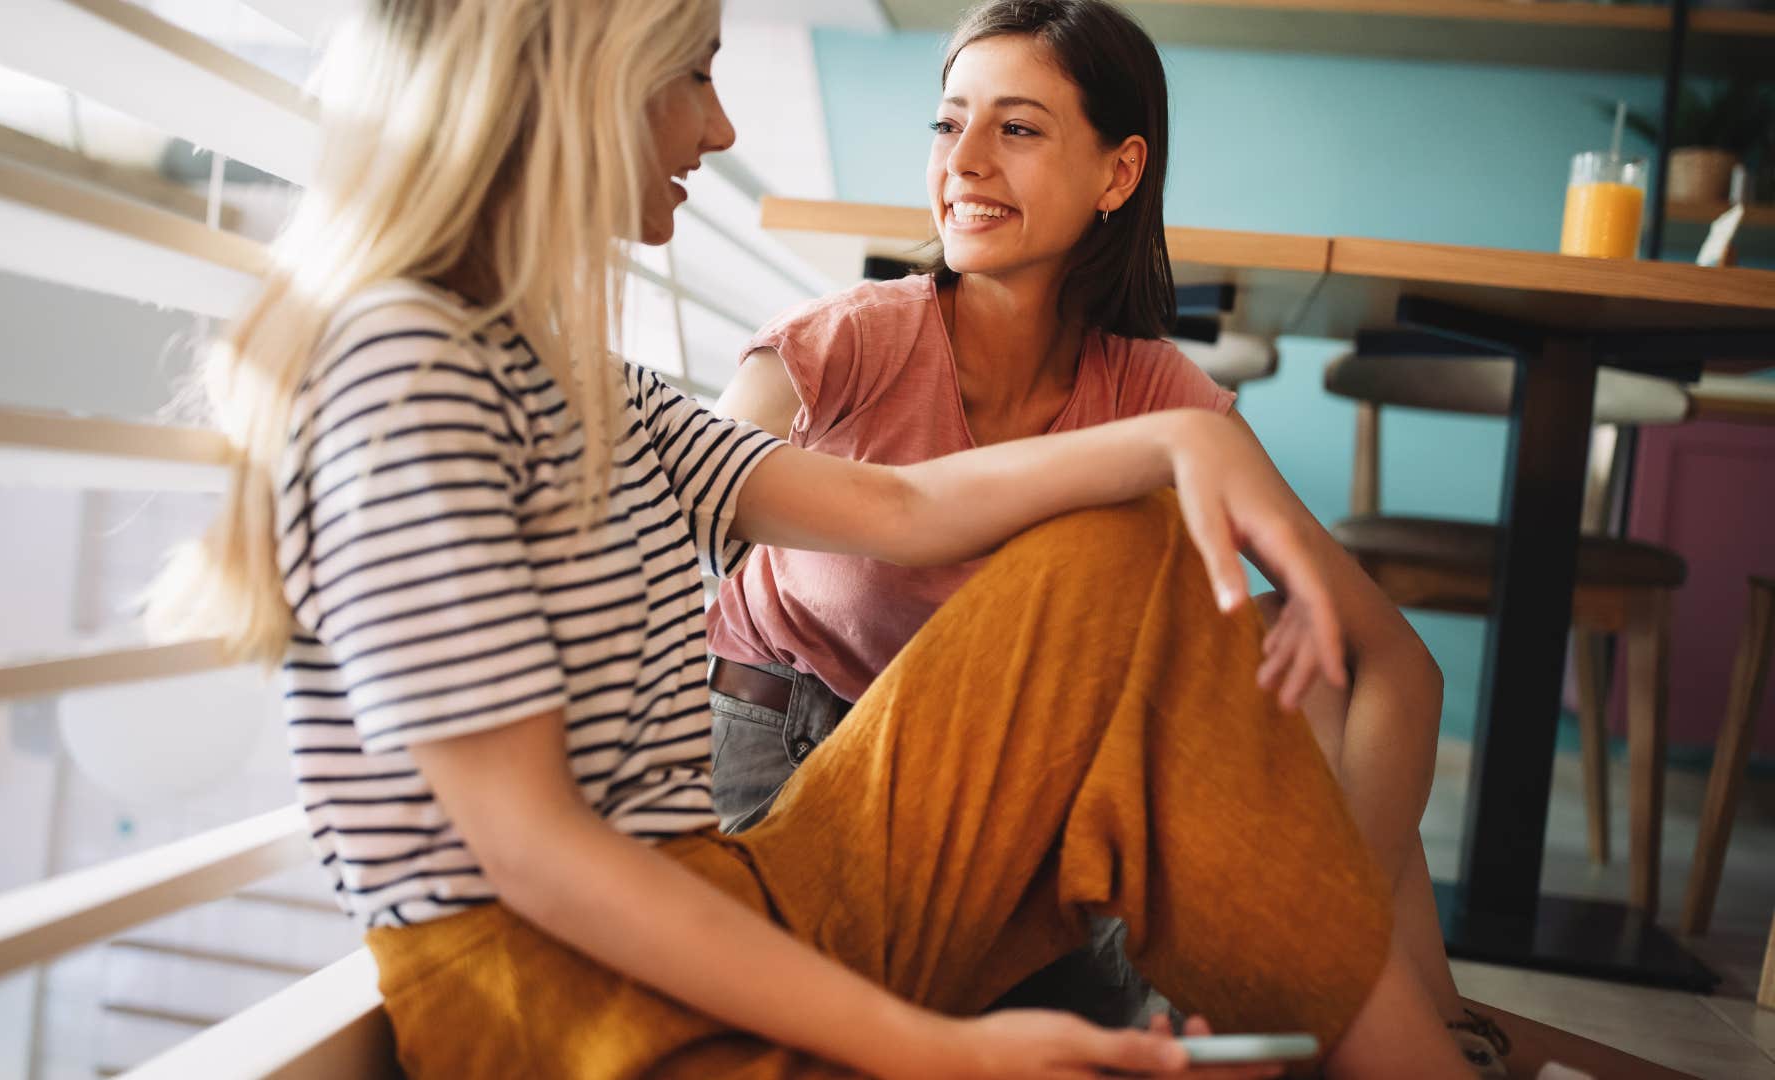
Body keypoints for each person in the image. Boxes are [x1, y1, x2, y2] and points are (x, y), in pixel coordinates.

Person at [150, 0, 1469, 1075]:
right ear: (578, 76)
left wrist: (1190, 444)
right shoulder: (402, 365)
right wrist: (934, 1051)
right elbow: (536, 855)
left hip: (734, 889)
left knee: (1126, 559)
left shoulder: (573, 377)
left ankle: (1373, 1044)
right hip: (566, 1007)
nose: (721, 127)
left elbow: (901, 509)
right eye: (696, 72)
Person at [706, 2, 1512, 1072]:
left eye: (1019, 129)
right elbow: (660, 537)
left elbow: (1392, 661)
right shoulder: (846, 345)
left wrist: (1322, 923)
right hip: (799, 784)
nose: (966, 163)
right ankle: (1398, 1031)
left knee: (1290, 659)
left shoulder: (1153, 392)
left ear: (1118, 174)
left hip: (1015, 829)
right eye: (949, 126)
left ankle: (1374, 1017)